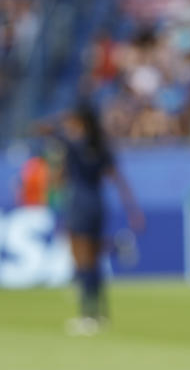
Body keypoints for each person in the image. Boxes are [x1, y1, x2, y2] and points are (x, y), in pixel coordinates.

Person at [49, 104, 143, 336]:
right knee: (95, 259)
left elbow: (59, 177)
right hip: (98, 204)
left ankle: (86, 315)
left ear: (79, 122)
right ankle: (101, 313)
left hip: (79, 203)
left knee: (81, 259)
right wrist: (132, 210)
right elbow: (117, 179)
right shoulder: (102, 146)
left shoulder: (71, 145)